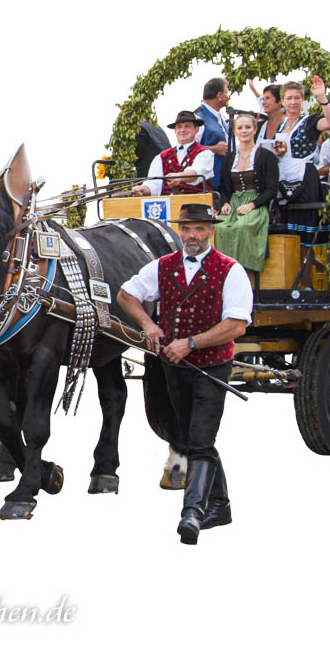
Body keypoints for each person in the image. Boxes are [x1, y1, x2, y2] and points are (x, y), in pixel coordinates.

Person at [118, 203, 252, 545]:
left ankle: (192, 512)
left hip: (212, 366)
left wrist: (190, 343)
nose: (193, 236)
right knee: (195, 437)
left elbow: (236, 324)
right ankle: (220, 506)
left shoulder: (231, 270)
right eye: (187, 229)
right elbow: (125, 294)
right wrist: (149, 325)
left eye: (200, 229)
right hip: (174, 367)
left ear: (211, 231)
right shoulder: (163, 266)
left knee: (200, 440)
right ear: (181, 231)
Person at [263, 77, 330, 249]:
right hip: (285, 181)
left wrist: (322, 98)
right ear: (282, 101)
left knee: (306, 238)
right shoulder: (281, 126)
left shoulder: (309, 121)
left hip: (305, 180)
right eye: (289, 98)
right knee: (290, 237)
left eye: (297, 98)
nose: (293, 102)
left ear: (303, 100)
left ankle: (308, 272)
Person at [214, 113, 278, 275]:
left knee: (242, 227)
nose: (244, 131)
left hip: (257, 203)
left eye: (248, 127)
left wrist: (252, 205)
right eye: (240, 128)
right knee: (219, 226)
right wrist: (226, 203)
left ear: (255, 129)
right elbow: (223, 187)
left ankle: (243, 271)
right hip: (235, 202)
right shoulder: (230, 158)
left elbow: (271, 189)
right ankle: (223, 271)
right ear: (235, 131)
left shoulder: (266, 156)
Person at [131, 111, 215, 196]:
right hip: (167, 205)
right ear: (175, 130)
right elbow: (153, 184)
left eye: (187, 126)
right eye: (179, 127)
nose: (182, 130)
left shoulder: (205, 153)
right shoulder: (161, 157)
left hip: (197, 205)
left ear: (196, 129)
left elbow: (196, 173)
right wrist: (143, 189)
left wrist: (179, 177)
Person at [196, 77, 231, 157]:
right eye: (226, 92)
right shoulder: (197, 118)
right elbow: (187, 149)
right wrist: (213, 149)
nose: (228, 97)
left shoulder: (222, 119)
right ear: (219, 96)